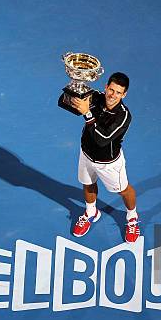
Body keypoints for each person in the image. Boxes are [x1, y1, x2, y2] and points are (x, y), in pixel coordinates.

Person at [62, 72, 140, 242]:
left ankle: (132, 217)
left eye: (118, 92)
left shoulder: (124, 116)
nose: (113, 95)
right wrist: (75, 87)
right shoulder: (96, 97)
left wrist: (87, 114)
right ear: (106, 87)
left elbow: (102, 139)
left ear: (124, 94)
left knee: (123, 190)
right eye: (111, 90)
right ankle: (91, 212)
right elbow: (64, 103)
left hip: (108, 163)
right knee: (88, 183)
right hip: (86, 154)